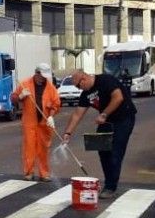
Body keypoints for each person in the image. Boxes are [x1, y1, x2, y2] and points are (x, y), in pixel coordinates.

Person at [62, 69, 137, 199]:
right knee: (102, 150)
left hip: (123, 118)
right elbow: (77, 114)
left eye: (79, 86)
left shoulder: (105, 80)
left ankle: (111, 187)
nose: (80, 89)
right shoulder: (86, 94)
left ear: (84, 79)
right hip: (106, 120)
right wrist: (68, 133)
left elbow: (118, 97)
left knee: (115, 152)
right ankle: (109, 181)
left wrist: (104, 114)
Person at [10, 62, 61, 182]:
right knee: (29, 148)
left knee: (43, 149)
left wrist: (51, 116)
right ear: (36, 73)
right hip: (30, 123)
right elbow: (13, 98)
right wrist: (21, 96)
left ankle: (44, 174)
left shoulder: (50, 87)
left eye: (45, 76)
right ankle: (28, 172)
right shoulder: (25, 84)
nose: (43, 78)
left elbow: (56, 104)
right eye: (42, 75)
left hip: (44, 123)